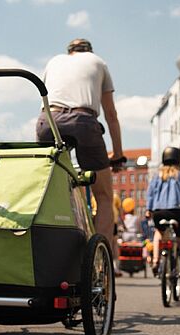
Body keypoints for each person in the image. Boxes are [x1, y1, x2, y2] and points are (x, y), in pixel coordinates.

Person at [36, 38, 124, 244]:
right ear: (89, 51)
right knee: (103, 197)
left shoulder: (54, 61)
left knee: (49, 188)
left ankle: (52, 241)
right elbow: (111, 114)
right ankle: (101, 258)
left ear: (70, 52)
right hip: (83, 121)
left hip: (49, 121)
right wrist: (118, 154)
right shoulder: (98, 62)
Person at [145, 146, 180, 285]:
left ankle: (156, 261)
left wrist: (148, 210)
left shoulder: (157, 176)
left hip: (159, 212)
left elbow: (150, 194)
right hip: (179, 212)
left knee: (159, 233)